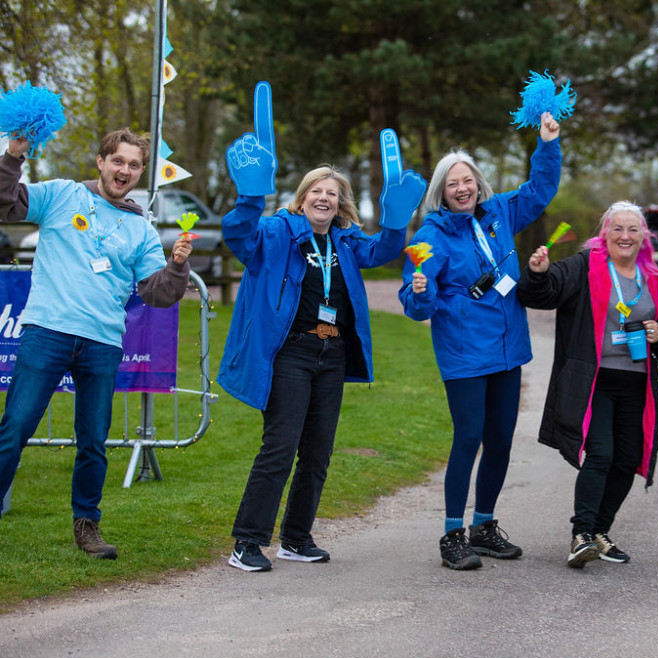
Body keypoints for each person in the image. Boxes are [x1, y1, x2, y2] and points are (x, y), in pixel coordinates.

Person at [219, 86, 426, 572]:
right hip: (290, 354)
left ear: (340, 204)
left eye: (332, 194)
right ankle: (248, 542)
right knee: (280, 447)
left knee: (317, 453)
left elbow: (382, 251)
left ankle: (296, 538)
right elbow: (238, 236)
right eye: (317, 190)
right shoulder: (276, 231)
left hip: (330, 356)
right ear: (302, 197)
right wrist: (250, 197)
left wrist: (396, 221)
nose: (324, 198)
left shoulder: (346, 241)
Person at [0, 129, 192, 559]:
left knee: (93, 441)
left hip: (102, 342)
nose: (125, 170)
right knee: (15, 429)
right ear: (101, 161)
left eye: (134, 165)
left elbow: (158, 293)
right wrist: (13, 156)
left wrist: (178, 266)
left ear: (140, 173)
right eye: (118, 160)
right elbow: (5, 204)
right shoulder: (61, 195)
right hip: (47, 331)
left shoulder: (142, 229)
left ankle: (87, 525)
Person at [399, 112, 562, 570]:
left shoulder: (499, 213)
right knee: (469, 438)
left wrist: (548, 144)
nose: (462, 188)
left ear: (478, 183)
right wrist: (420, 292)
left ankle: (484, 526)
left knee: (501, 440)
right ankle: (452, 534)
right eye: (453, 183)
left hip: (508, 350)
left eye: (467, 180)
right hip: (465, 353)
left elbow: (540, 190)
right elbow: (416, 304)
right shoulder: (430, 236)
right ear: (441, 192)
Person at [518, 202, 658, 568]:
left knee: (628, 458)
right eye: (617, 228)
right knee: (601, 453)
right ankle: (581, 534)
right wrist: (537, 273)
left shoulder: (655, 277)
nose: (625, 236)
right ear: (605, 233)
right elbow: (541, 294)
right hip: (594, 379)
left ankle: (600, 532)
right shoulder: (584, 266)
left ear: (644, 236)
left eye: (633, 230)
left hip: (637, 382)